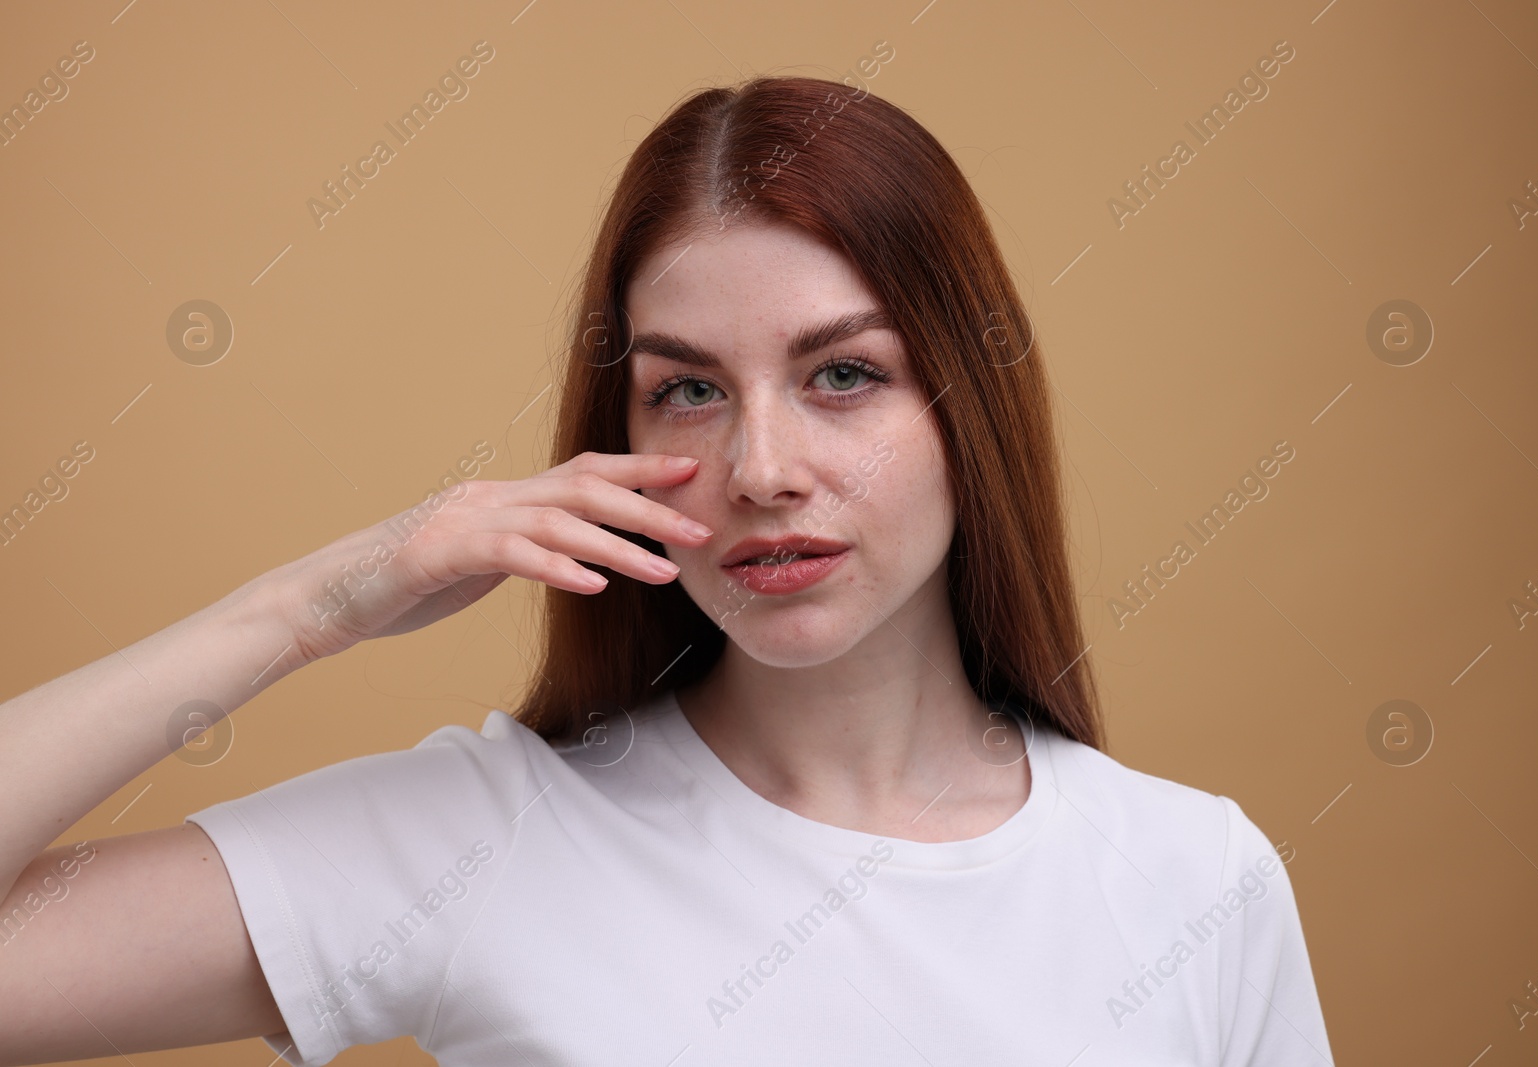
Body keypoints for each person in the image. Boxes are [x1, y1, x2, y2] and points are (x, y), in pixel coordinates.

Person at [0, 75, 1335, 1066]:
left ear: (969, 412)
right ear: (617, 439)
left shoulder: (1192, 880)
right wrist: (312, 606)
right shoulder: (486, 838)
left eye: (844, 375)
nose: (763, 465)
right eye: (688, 389)